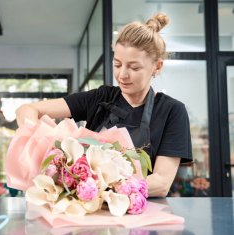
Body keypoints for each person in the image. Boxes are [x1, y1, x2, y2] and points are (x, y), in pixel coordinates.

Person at [15, 12, 192, 197]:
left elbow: (161, 183)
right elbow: (28, 109)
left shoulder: (172, 111)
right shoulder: (100, 98)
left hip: (140, 213)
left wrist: (100, 187)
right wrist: (35, 139)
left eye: (134, 67)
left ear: (157, 66)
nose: (123, 75)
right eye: (117, 64)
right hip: (91, 211)